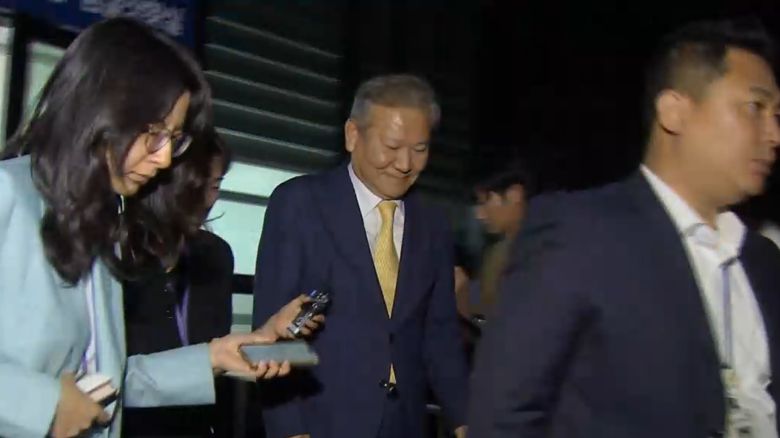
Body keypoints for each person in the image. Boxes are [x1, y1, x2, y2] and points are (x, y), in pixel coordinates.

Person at [0, 18, 316, 438]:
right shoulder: (7, 193)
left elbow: (106, 382)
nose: (165, 159)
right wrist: (43, 405)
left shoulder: (102, 222)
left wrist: (212, 358)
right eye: (153, 134)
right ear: (97, 110)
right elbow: (52, 398)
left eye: (174, 138)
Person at [468, 18, 780, 438]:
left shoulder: (763, 263)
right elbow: (505, 416)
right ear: (674, 112)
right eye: (755, 108)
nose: (774, 135)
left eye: (777, 115)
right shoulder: (581, 235)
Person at [252, 74, 469, 438]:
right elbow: (272, 326)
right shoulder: (299, 204)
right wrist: (289, 429)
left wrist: (465, 419)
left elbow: (440, 333)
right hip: (323, 422)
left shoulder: (434, 225)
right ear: (353, 135)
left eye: (420, 149)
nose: (405, 163)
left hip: (406, 423)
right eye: (392, 146)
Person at [122, 132, 236, 437]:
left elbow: (218, 358)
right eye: (196, 186)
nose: (208, 200)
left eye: (215, 185)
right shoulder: (113, 253)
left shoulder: (216, 255)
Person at [454, 161, 532, 319]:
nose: (479, 214)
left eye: (484, 202)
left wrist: (461, 292)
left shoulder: (536, 252)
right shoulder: (499, 250)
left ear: (514, 195)